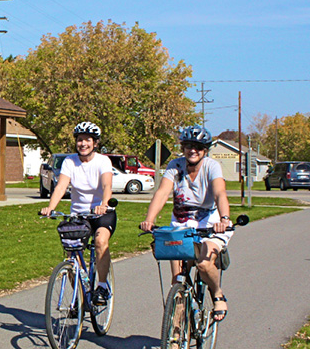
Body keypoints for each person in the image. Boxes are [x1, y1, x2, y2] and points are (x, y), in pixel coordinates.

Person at [139, 125, 232, 321]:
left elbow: (219, 193)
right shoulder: (175, 166)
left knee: (204, 265)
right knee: (177, 281)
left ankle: (217, 294)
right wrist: (149, 219)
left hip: (209, 226)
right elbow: (162, 193)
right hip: (182, 228)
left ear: (205, 150)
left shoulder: (211, 166)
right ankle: (175, 333)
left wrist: (224, 219)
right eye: (189, 146)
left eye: (198, 147)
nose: (193, 150)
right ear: (183, 148)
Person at [40, 122, 116, 306]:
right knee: (72, 254)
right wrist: (50, 207)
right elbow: (61, 186)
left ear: (95, 143)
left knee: (100, 241)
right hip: (79, 214)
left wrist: (104, 204)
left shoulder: (103, 161)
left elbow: (107, 185)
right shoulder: (70, 161)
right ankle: (79, 298)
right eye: (80, 140)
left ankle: (102, 286)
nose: (83, 144)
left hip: (101, 213)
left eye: (87, 140)